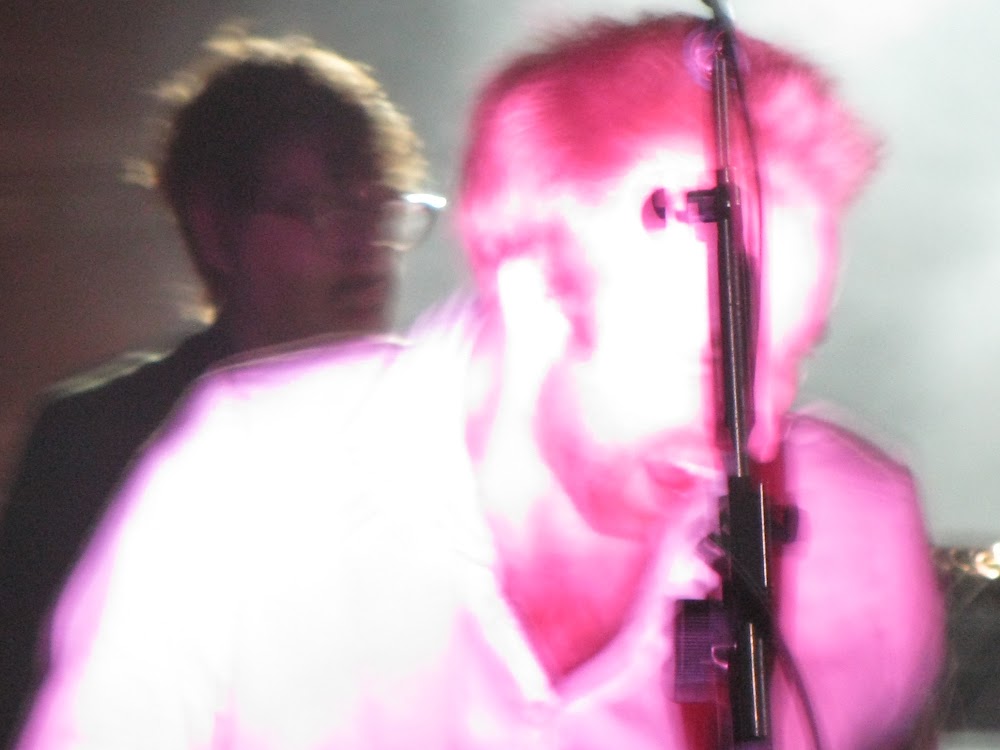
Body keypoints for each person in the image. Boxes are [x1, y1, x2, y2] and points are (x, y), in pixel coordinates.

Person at [15, 13, 943, 749]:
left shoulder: (856, 534)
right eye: (713, 360)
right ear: (532, 293)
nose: (763, 428)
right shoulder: (241, 479)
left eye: (794, 354)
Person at [0, 28, 437, 748]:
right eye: (321, 207)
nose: (364, 240)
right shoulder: (95, 444)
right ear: (215, 231)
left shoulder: (445, 431)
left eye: (378, 205)